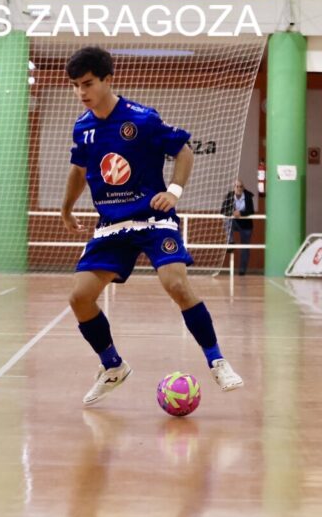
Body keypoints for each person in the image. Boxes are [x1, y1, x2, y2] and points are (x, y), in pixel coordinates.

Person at [60, 46, 243, 406]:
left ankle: (217, 360)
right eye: (76, 86)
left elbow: (184, 150)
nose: (81, 93)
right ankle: (112, 366)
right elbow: (79, 170)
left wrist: (173, 191)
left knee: (174, 282)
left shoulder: (141, 119)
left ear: (108, 80)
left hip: (152, 217)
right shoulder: (83, 128)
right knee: (79, 297)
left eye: (88, 84)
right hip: (112, 223)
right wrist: (66, 209)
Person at [221, 179, 255, 276]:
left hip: (246, 225)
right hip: (234, 222)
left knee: (245, 248)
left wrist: (241, 213)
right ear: (234, 188)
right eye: (237, 186)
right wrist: (232, 213)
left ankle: (242, 271)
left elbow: (251, 211)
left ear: (243, 188)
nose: (239, 188)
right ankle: (230, 241)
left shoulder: (248, 196)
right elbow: (222, 211)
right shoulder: (230, 196)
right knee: (226, 219)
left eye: (240, 186)